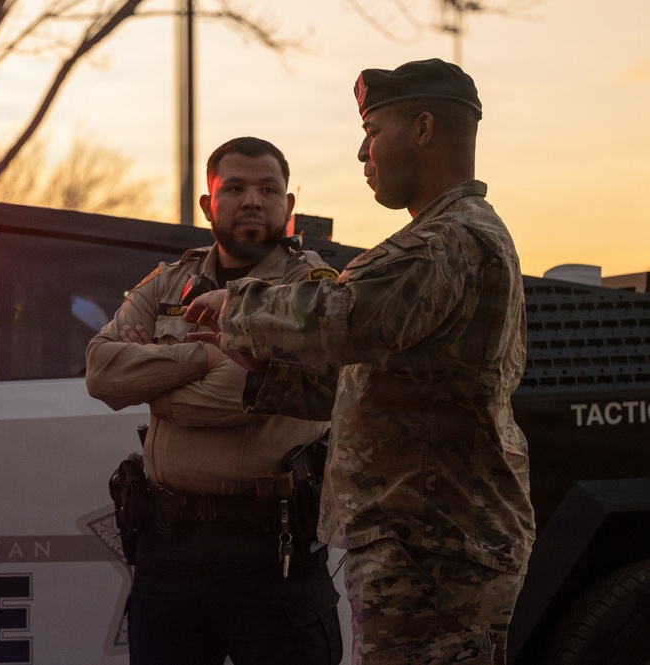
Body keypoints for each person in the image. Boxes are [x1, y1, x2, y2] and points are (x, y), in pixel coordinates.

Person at [183, 60, 536, 664]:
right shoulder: (446, 237)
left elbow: (347, 318)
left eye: (373, 130)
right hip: (429, 535)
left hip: (433, 543)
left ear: (423, 128)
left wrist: (238, 305)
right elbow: (368, 378)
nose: (361, 152)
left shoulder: (445, 241)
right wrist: (259, 367)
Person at [86, 136, 342, 665]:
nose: (253, 200)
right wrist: (201, 359)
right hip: (166, 552)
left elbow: (237, 396)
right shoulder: (169, 281)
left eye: (268, 188)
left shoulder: (312, 292)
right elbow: (101, 372)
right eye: (236, 187)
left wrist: (154, 382)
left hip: (272, 557)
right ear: (209, 204)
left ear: (288, 206)